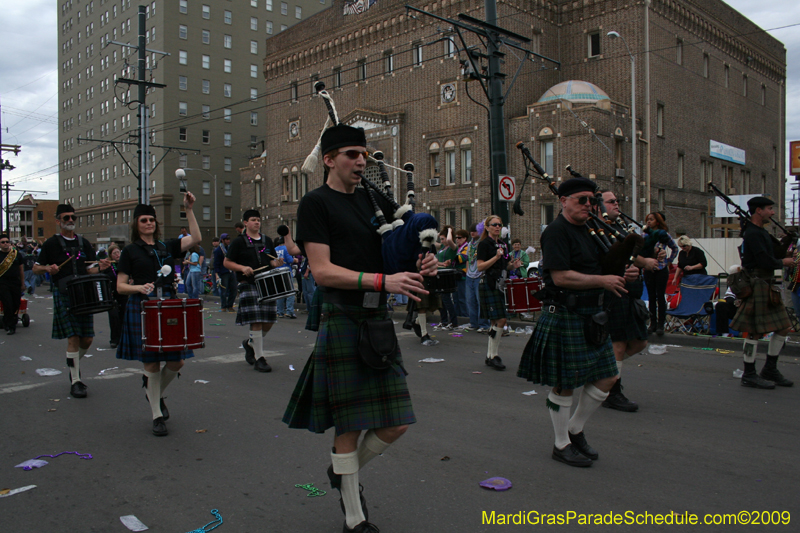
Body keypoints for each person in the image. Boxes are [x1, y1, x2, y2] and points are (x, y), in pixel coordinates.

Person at [282, 124, 437, 533]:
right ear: (329, 159)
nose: (361, 161)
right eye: (351, 153)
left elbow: (392, 254)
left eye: (364, 154)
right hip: (344, 316)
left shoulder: (374, 202)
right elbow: (321, 271)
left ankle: (342, 472)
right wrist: (384, 281)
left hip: (376, 319)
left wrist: (420, 263)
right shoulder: (315, 204)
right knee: (348, 425)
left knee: (396, 422)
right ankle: (354, 516)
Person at [517, 177, 639, 467]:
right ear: (563, 201)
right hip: (566, 314)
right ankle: (561, 444)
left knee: (609, 377)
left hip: (592, 316)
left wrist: (623, 273)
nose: (588, 204)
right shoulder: (557, 232)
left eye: (591, 200)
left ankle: (574, 429)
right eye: (581, 199)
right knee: (565, 383)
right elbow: (560, 276)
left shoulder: (590, 229)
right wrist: (603, 280)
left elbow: (602, 267)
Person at [115, 199, 201, 436]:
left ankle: (152, 392)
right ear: (136, 224)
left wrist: (189, 210)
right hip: (143, 307)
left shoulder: (166, 246)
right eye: (144, 220)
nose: (149, 223)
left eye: (152, 220)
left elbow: (195, 238)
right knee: (151, 363)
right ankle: (156, 414)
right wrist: (139, 288)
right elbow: (121, 286)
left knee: (177, 362)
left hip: (168, 306)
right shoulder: (129, 251)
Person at [33, 204, 111, 398]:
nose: (70, 220)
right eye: (66, 217)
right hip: (65, 293)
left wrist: (101, 267)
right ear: (58, 220)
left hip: (84, 294)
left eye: (73, 217)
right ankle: (76, 380)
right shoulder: (51, 244)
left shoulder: (84, 243)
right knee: (73, 338)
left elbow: (90, 270)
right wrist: (47, 269)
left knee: (87, 339)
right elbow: (35, 268)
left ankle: (72, 365)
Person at [599, 191, 660, 412]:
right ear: (600, 206)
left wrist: (649, 257)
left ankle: (603, 375)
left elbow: (631, 255)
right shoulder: (600, 230)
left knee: (640, 341)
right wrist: (643, 263)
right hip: (613, 292)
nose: (617, 204)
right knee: (618, 344)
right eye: (611, 201)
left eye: (617, 200)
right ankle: (612, 391)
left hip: (629, 293)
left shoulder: (620, 228)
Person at [730, 196, 795, 389]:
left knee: (784, 327)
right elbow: (765, 261)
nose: (772, 212)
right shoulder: (753, 233)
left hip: (767, 285)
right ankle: (749, 373)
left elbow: (774, 254)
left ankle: (769, 369)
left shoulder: (761, 232)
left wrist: (787, 245)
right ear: (759, 211)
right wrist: (783, 262)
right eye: (769, 208)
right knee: (754, 333)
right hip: (757, 284)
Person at [224, 210, 296, 372]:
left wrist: (276, 263)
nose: (256, 222)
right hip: (248, 284)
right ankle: (260, 358)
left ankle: (250, 343)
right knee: (256, 320)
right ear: (245, 223)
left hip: (267, 284)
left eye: (258, 220)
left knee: (269, 321)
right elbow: (227, 262)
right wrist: (242, 267)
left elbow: (269, 261)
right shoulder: (239, 242)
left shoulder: (267, 241)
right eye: (253, 220)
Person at [476, 215, 519, 370]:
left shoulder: (502, 244)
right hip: (488, 283)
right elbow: (480, 267)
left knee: (495, 321)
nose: (497, 227)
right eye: (494, 224)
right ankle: (493, 356)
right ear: (487, 227)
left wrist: (513, 266)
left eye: (499, 225)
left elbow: (504, 266)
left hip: (499, 284)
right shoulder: (484, 244)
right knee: (501, 319)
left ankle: (490, 356)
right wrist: (495, 257)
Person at [642, 212, 678, 335]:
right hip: (649, 269)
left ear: (657, 221)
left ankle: (660, 324)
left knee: (660, 296)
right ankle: (652, 323)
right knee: (651, 297)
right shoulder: (644, 235)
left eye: (651, 219)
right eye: (647, 220)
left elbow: (675, 248)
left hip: (661, 269)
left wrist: (669, 261)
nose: (648, 222)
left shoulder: (663, 235)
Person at [463, 223, 491, 333]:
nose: (472, 233)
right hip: (470, 276)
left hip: (480, 275)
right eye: (471, 231)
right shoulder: (470, 244)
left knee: (481, 301)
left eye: (475, 230)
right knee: (470, 301)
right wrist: (467, 272)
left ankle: (484, 324)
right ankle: (474, 323)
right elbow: (468, 259)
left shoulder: (483, 243)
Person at [102, 244, 127, 348]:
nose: (117, 255)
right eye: (114, 253)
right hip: (111, 294)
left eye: (118, 252)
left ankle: (122, 338)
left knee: (123, 316)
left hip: (123, 293)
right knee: (114, 317)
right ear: (110, 255)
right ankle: (114, 339)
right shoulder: (108, 266)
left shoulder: (124, 264)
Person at [0, 234, 25, 335]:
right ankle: (11, 326)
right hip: (2, 283)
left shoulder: (16, 254)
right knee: (8, 304)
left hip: (15, 282)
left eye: (7, 241)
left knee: (16, 303)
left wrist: (23, 283)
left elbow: (21, 269)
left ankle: (8, 320)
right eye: (3, 242)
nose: (5, 244)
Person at [435, 225, 458, 329]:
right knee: (440, 300)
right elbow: (432, 242)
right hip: (439, 274)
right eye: (441, 239)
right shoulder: (442, 248)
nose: (442, 241)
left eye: (443, 239)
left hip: (446, 275)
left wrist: (449, 229)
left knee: (446, 299)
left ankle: (453, 321)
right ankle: (443, 320)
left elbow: (449, 240)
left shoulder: (453, 247)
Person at [274, 236, 298, 319]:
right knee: (290, 293)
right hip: (286, 272)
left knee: (280, 294)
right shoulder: (286, 248)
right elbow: (290, 260)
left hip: (277, 272)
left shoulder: (275, 249)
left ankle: (280, 312)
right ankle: (289, 311)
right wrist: (294, 260)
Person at [214, 233, 237, 312]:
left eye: (229, 239)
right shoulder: (218, 250)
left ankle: (230, 305)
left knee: (234, 289)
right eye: (226, 240)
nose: (228, 241)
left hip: (231, 271)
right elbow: (216, 263)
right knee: (224, 290)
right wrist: (217, 274)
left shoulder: (230, 248)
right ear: (222, 240)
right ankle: (223, 306)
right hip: (223, 272)